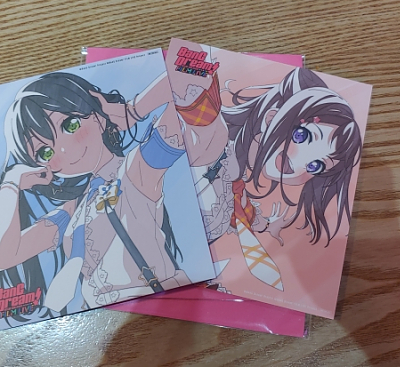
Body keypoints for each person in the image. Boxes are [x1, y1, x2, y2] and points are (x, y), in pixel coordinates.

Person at [0, 71, 190, 320]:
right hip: (100, 321)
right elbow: (5, 255)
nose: (64, 150)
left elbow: (192, 81)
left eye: (70, 125)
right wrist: (11, 183)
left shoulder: (135, 170)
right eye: (45, 152)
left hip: (158, 310)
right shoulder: (72, 209)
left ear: (98, 118)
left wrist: (132, 111)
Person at [171, 66, 362, 291]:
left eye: (316, 165)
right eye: (302, 136)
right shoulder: (214, 138)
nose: (298, 163)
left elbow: (238, 204)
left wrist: (267, 225)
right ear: (271, 118)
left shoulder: (235, 178)